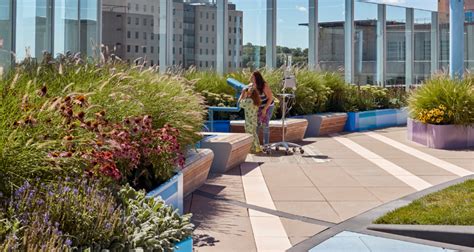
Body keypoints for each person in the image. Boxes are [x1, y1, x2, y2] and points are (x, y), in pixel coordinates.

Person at [250, 71, 274, 147]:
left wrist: (264, 110)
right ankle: (256, 144)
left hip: (268, 105)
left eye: (252, 77)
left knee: (265, 125)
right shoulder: (252, 86)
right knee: (257, 124)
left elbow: (270, 98)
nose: (251, 78)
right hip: (259, 106)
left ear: (257, 78)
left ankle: (266, 145)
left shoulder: (264, 85)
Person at [239, 86, 262, 153]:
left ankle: (253, 149)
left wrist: (242, 94)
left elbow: (240, 104)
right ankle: (257, 148)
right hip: (254, 120)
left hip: (249, 121)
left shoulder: (249, 101)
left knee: (250, 135)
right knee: (254, 134)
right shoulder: (255, 100)